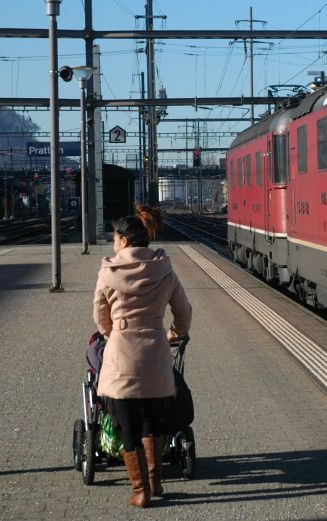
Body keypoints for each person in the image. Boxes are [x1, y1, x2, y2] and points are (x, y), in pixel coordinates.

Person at [93, 205, 192, 508]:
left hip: (122, 355)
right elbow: (184, 313)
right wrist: (173, 333)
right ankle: (156, 481)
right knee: (152, 420)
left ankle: (140, 491)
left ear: (123, 239)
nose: (113, 242)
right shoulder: (165, 269)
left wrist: (113, 335)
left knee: (127, 425)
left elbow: (100, 316)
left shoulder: (109, 272)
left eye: (114, 237)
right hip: (155, 352)